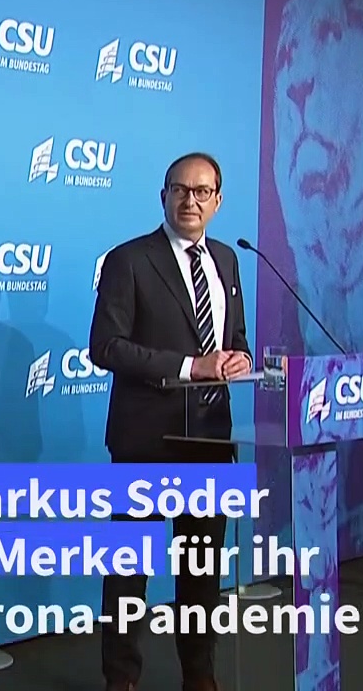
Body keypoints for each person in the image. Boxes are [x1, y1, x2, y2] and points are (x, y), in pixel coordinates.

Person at [88, 152, 252, 691]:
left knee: (201, 572)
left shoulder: (227, 260)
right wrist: (189, 366)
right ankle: (121, 679)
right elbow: (106, 347)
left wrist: (240, 359)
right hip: (145, 440)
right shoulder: (130, 260)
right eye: (180, 190)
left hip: (210, 440)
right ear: (163, 197)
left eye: (202, 192)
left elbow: (234, 340)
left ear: (218, 201)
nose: (190, 201)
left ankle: (200, 677)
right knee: (129, 571)